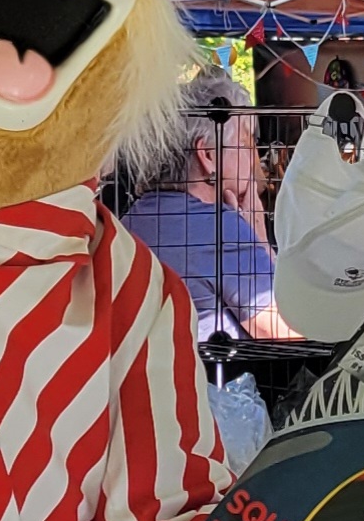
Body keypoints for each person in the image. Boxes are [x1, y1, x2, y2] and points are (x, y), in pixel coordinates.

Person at [120, 74, 286, 341]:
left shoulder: (129, 221)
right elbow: (287, 328)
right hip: (216, 380)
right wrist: (261, 241)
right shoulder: (221, 227)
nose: (255, 157)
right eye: (246, 143)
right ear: (208, 156)